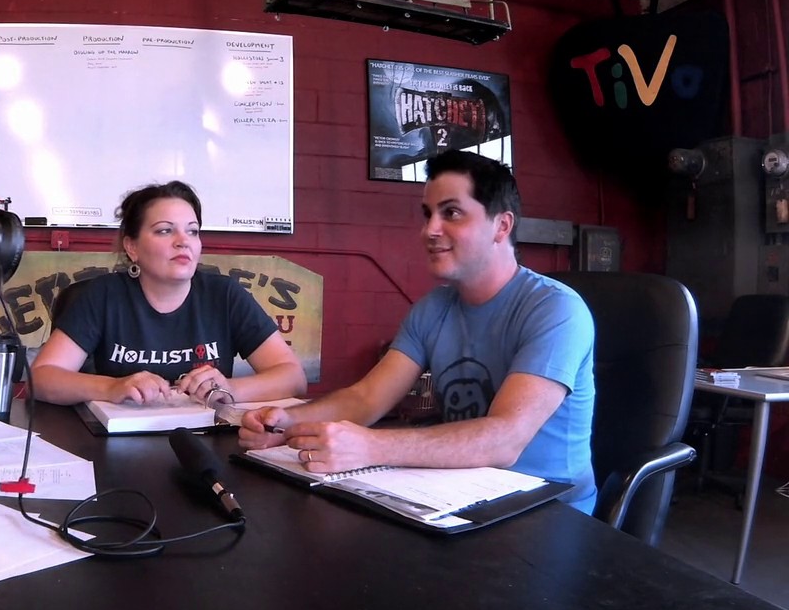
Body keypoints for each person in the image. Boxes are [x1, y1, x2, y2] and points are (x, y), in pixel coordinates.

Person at [239, 151, 597, 514]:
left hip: (554, 513)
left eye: (451, 213)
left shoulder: (556, 309)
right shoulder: (433, 308)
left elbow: (505, 440)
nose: (430, 230)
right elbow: (366, 399)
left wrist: (371, 446)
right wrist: (288, 423)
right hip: (460, 496)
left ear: (501, 226)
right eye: (428, 214)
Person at [32, 180, 306, 407]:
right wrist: (112, 387)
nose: (183, 241)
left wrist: (229, 389)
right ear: (132, 247)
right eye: (165, 230)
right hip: (120, 441)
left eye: (193, 231)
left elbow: (293, 377)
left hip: (206, 439)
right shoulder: (103, 295)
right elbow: (42, 378)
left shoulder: (224, 295)